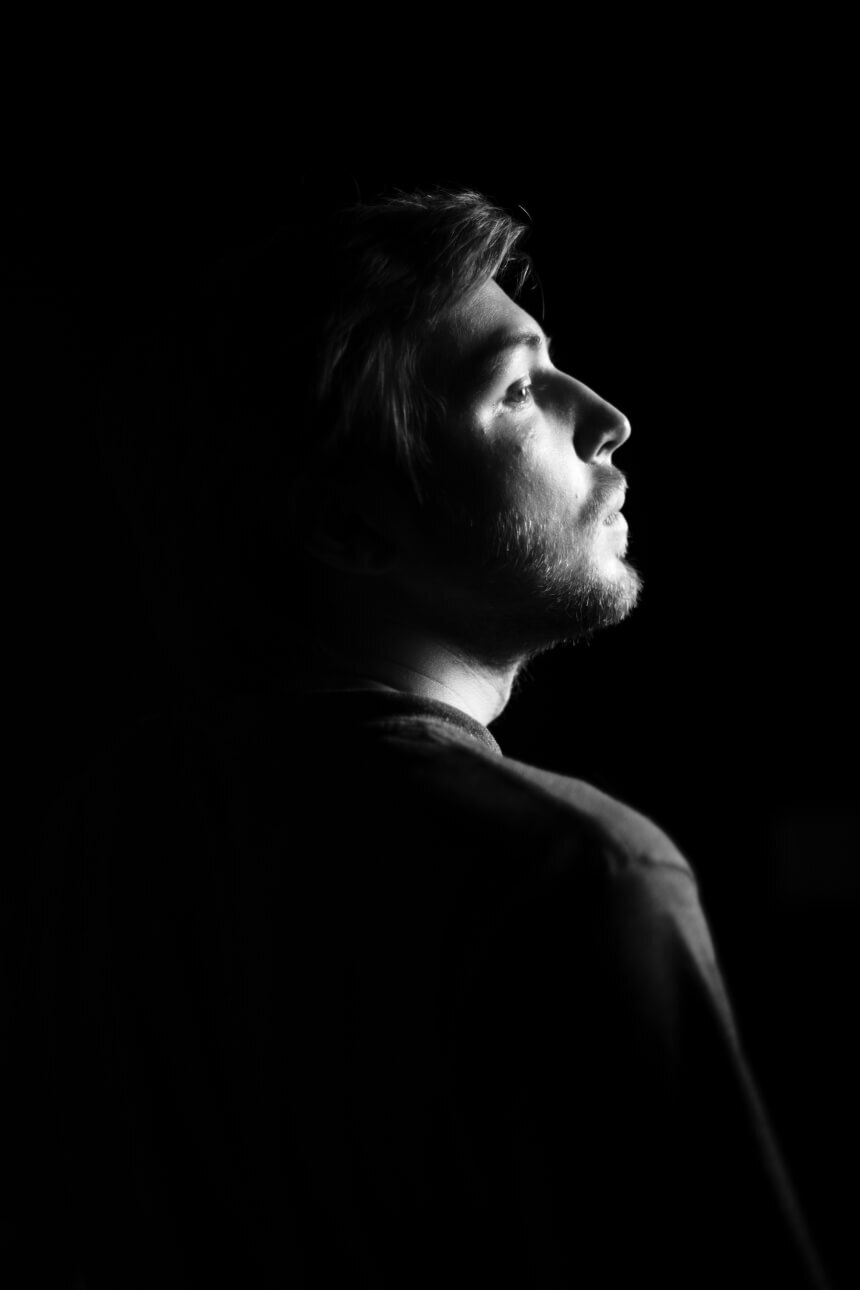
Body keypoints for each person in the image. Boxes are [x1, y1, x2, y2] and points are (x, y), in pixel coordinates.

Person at [25, 187, 831, 1287]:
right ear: (345, 521)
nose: (602, 416)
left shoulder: (112, 826)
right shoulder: (575, 874)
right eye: (514, 388)